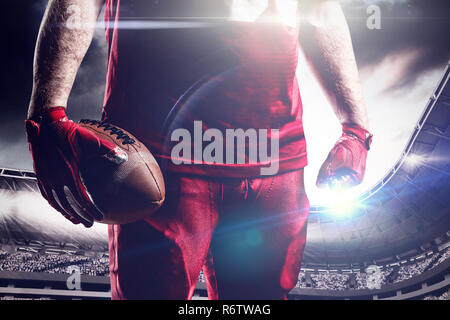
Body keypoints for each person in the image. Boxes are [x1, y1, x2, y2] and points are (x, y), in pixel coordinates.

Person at [26, 0, 372, 300]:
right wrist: (47, 113)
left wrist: (356, 127)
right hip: (164, 152)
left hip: (273, 155)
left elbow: (320, 8)